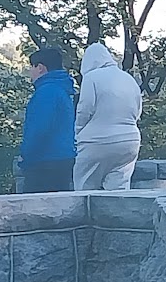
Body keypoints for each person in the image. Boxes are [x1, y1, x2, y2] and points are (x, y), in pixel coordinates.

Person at [73, 42, 143, 190]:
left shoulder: (91, 78)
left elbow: (84, 110)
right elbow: (137, 112)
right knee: (119, 190)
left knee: (86, 187)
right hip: (129, 142)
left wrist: (78, 133)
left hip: (96, 142)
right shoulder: (128, 79)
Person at [17, 46, 76, 193]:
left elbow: (39, 128)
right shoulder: (63, 90)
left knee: (34, 210)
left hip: (43, 162)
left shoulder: (46, 92)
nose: (31, 72)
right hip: (64, 159)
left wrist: (26, 155)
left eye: (32, 67)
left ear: (41, 68)